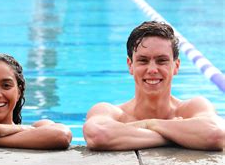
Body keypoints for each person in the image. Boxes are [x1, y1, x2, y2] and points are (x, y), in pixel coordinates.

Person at [83, 21, 224, 151]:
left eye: (161, 61)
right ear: (130, 65)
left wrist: (149, 124)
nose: (152, 70)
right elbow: (98, 136)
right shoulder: (112, 112)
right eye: (143, 61)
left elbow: (216, 134)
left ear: (176, 66)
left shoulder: (193, 107)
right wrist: (177, 136)